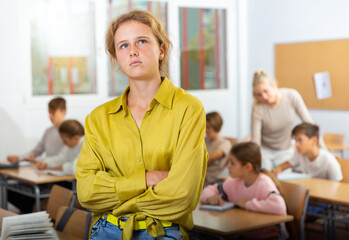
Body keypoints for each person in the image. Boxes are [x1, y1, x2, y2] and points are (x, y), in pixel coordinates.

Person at [75, 9, 207, 240]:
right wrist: (146, 179)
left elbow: (182, 196)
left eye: (142, 41)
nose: (133, 51)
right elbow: (86, 194)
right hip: (105, 231)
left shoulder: (188, 108)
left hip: (162, 231)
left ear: (161, 49)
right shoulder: (98, 118)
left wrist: (118, 199)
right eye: (123, 46)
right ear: (116, 57)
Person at [200, 142, 288, 239]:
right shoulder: (234, 182)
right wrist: (210, 198)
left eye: (232, 163)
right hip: (244, 232)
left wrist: (246, 204)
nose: (228, 166)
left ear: (247, 167)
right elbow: (210, 189)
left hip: (269, 235)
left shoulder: (264, 183)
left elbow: (279, 206)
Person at [8, 119, 84, 214]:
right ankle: (31, 212)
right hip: (65, 181)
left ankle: (33, 212)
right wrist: (46, 164)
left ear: (76, 138)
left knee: (34, 193)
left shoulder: (86, 146)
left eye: (65, 140)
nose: (63, 143)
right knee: (21, 191)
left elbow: (74, 167)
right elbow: (60, 158)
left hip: (76, 186)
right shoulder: (71, 145)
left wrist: (58, 167)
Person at [251, 70, 316, 171]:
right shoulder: (258, 107)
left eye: (266, 91)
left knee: (283, 182)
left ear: (274, 85)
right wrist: (255, 160)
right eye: (259, 95)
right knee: (266, 180)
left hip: (285, 150)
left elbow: (310, 125)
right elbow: (255, 140)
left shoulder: (291, 96)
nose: (264, 97)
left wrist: (324, 152)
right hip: (265, 151)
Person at [273, 123, 342, 181]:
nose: (296, 145)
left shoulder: (329, 160)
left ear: (314, 140)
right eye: (295, 140)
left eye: (300, 140)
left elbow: (338, 186)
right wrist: (276, 169)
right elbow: (280, 167)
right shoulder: (300, 155)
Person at [7, 97, 66, 163]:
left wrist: (37, 159)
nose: (50, 116)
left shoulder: (69, 132)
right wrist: (19, 157)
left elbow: (62, 157)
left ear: (63, 112)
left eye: (53, 113)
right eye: (49, 113)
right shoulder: (48, 132)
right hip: (47, 168)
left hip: (60, 168)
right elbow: (36, 153)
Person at [204, 112, 231, 186]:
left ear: (216, 126)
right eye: (204, 127)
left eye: (208, 127)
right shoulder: (205, 140)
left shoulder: (224, 144)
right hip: (198, 176)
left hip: (210, 181)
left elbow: (206, 159)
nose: (205, 130)